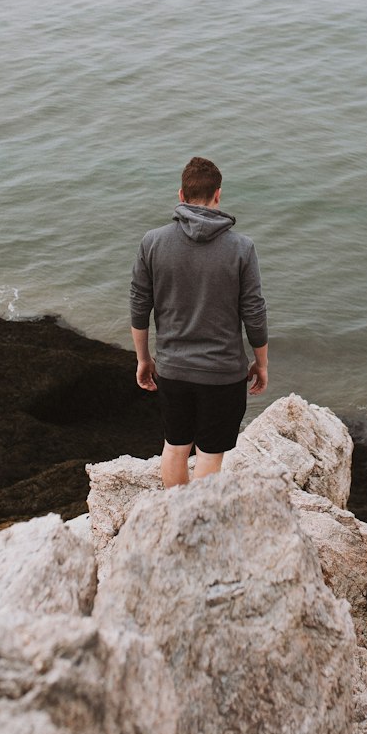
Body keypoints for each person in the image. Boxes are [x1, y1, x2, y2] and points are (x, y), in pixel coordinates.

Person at [130, 156, 268, 487]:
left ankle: (177, 521)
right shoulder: (241, 248)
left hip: (173, 369)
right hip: (223, 374)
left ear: (181, 194)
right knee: (209, 455)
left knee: (175, 447)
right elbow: (254, 311)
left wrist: (143, 359)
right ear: (218, 195)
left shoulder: (152, 242)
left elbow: (139, 306)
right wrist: (260, 363)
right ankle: (198, 523)